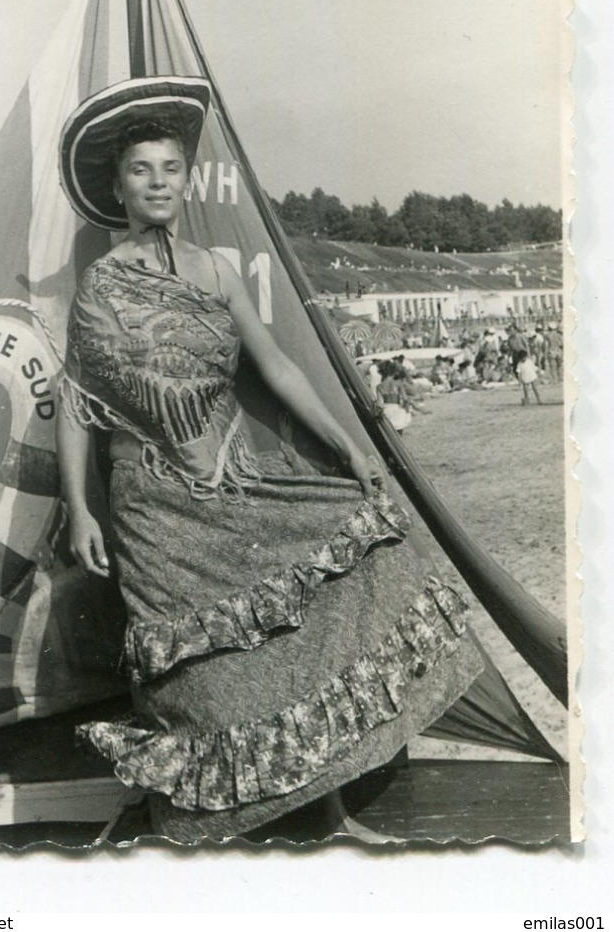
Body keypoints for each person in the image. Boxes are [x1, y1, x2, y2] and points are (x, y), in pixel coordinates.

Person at [56, 77, 483, 843]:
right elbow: (79, 404)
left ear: (187, 180)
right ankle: (198, 833)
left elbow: (279, 370)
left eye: (170, 168)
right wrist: (82, 510)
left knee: (299, 638)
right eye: (141, 170)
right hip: (151, 505)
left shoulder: (217, 271)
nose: (158, 182)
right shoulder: (101, 283)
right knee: (197, 678)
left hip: (236, 479)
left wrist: (351, 448)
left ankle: (332, 816)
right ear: (117, 185)